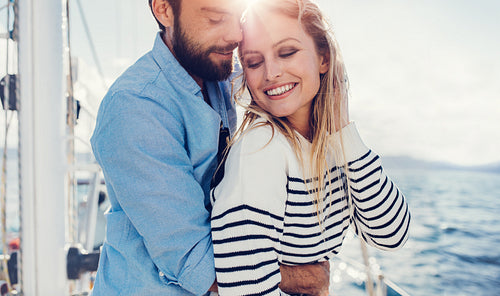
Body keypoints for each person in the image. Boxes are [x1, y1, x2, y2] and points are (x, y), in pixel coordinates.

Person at [91, 0, 330, 295]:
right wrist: (306, 277)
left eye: (239, 17)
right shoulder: (134, 106)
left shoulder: (217, 70)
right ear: (164, 9)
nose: (235, 35)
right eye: (216, 18)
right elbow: (198, 265)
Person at [210, 0, 412, 295]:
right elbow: (247, 288)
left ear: (324, 58)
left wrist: (342, 129)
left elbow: (392, 235)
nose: (271, 73)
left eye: (287, 52)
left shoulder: (331, 145)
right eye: (254, 62)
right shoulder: (261, 149)